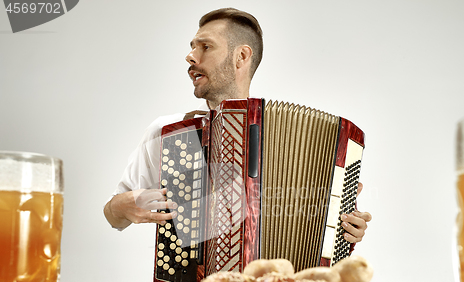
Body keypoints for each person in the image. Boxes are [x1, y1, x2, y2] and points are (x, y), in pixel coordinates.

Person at [103, 8, 372, 244]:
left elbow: (327, 229)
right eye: (192, 46)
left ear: (241, 56)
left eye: (205, 47)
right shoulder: (168, 132)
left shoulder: (304, 142)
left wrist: (347, 230)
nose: (190, 56)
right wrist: (121, 206)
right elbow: (114, 214)